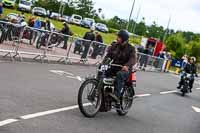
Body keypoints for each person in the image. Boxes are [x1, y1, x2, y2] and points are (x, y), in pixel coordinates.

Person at [104, 29, 137, 108]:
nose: (117, 38)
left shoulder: (131, 48)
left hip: (125, 70)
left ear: (124, 39)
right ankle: (98, 90)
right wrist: (103, 63)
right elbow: (108, 55)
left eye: (119, 37)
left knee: (120, 75)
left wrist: (127, 65)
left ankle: (116, 96)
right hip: (114, 67)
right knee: (103, 71)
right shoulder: (115, 46)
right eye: (117, 36)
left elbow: (133, 59)